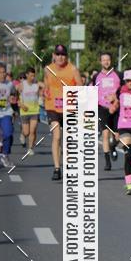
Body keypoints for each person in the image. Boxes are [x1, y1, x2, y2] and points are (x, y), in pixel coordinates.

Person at [43, 45, 82, 180]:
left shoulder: (73, 69)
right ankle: (57, 168)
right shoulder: (48, 69)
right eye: (58, 54)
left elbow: (80, 87)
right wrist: (46, 90)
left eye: (63, 55)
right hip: (52, 107)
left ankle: (68, 165)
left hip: (69, 108)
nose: (60, 57)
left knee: (68, 139)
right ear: (54, 55)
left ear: (66, 56)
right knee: (57, 136)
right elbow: (46, 83)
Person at [94, 52, 121, 171]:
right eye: (103, 60)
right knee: (105, 134)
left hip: (116, 108)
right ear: (100, 62)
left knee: (117, 135)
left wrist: (115, 98)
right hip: (102, 108)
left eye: (108, 60)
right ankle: (107, 162)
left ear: (111, 61)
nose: (106, 62)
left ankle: (113, 146)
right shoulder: (96, 77)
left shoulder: (118, 75)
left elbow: (123, 91)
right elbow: (91, 92)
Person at [0, 62, 17, 168]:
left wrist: (12, 100)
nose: (2, 75)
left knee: (8, 133)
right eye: (0, 72)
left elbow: (14, 95)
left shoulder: (10, 84)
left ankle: (5, 155)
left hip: (6, 112)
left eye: (4, 72)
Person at [17, 67, 42, 155]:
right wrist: (21, 104)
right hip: (24, 111)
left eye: (34, 76)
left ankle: (30, 148)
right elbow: (16, 98)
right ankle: (23, 135)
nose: (32, 77)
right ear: (27, 75)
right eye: (31, 76)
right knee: (27, 132)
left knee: (33, 130)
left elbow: (45, 87)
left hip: (34, 111)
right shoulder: (22, 85)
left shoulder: (37, 85)